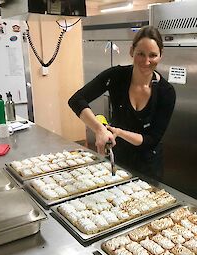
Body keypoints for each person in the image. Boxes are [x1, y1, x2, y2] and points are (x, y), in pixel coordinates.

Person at [68, 26, 176, 181]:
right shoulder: (116, 76)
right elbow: (76, 100)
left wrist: (118, 132)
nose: (146, 61)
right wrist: (99, 129)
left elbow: (151, 141)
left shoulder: (166, 92)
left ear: (160, 55)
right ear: (132, 51)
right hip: (117, 161)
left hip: (149, 167)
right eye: (141, 54)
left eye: (153, 55)